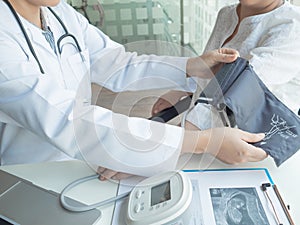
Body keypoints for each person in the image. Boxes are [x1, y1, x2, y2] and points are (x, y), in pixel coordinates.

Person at [0, 0, 267, 178]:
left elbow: (117, 62)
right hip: (30, 174)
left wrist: (190, 66)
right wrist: (202, 142)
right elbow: (69, 120)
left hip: (84, 162)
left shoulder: (60, 13)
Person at [152, 0, 300, 131]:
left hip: (253, 145)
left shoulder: (293, 25)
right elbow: (210, 69)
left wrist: (183, 134)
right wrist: (183, 90)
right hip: (206, 133)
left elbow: (240, 91)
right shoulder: (227, 14)